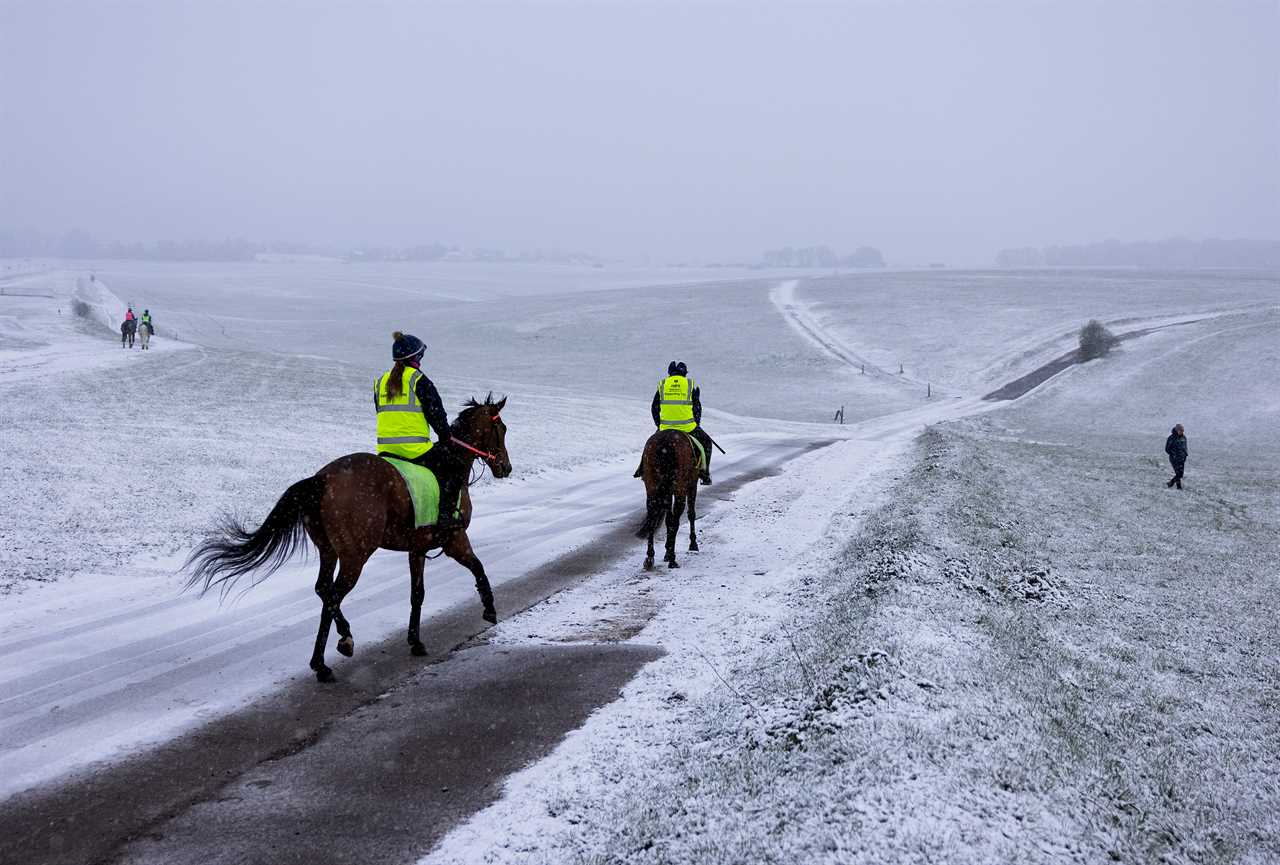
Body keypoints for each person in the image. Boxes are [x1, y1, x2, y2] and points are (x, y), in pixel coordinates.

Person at [374, 331, 463, 528]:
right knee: (454, 467)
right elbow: (436, 415)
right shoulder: (419, 380)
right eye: (420, 356)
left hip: (386, 451)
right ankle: (445, 517)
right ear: (415, 357)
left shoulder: (380, 382)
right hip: (415, 451)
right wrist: (447, 438)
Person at [635, 360, 713, 485]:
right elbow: (697, 408)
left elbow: (654, 407)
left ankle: (643, 469)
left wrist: (659, 425)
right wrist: (696, 423)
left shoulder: (663, 384)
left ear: (669, 373)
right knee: (706, 443)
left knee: (649, 445)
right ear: (684, 373)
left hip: (665, 426)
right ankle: (704, 473)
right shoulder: (689, 384)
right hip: (688, 427)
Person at [1164, 424, 1188, 489]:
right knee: (1179, 474)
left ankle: (1172, 484)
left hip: (1182, 459)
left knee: (1180, 474)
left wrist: (1185, 454)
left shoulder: (1184, 437)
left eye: (1183, 431)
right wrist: (1173, 454)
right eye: (1181, 431)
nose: (1182, 432)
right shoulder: (1171, 438)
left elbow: (1185, 447)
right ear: (1177, 430)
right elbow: (1167, 449)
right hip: (1174, 459)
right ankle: (1177, 486)